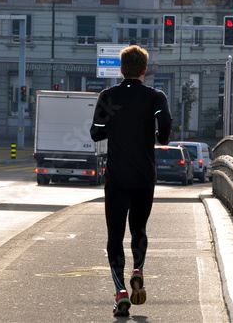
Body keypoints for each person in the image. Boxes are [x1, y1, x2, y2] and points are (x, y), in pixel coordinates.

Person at [90, 45, 172, 317]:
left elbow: (96, 133)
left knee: (115, 235)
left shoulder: (109, 96)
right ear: (145, 70)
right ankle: (138, 270)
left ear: (121, 69)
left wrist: (115, 125)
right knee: (138, 229)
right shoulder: (155, 96)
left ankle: (121, 292)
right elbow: (165, 124)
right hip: (144, 178)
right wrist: (160, 138)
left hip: (116, 178)